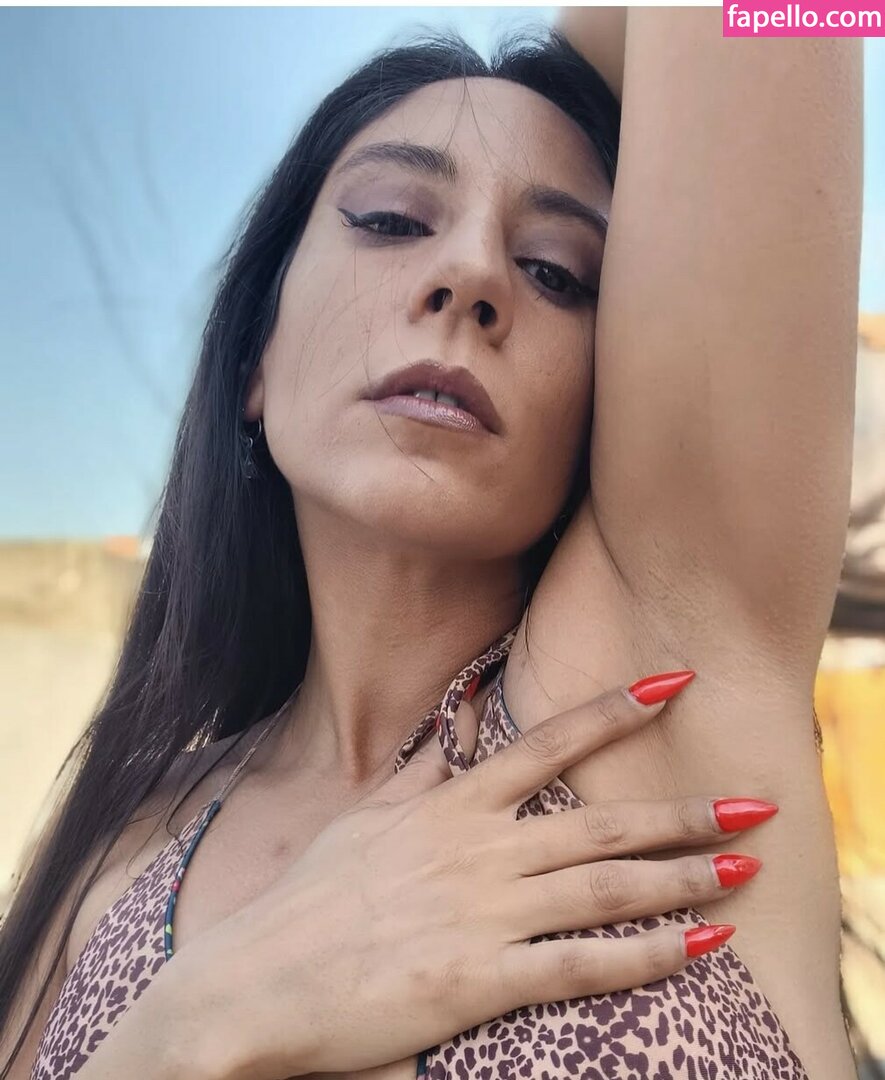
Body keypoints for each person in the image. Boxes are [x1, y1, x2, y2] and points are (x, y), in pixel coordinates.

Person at [0, 7, 862, 1079]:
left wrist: (563, 68)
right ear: (256, 357)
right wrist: (194, 1026)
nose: (472, 275)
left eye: (556, 270)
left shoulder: (658, 691)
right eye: (392, 218)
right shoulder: (124, 839)